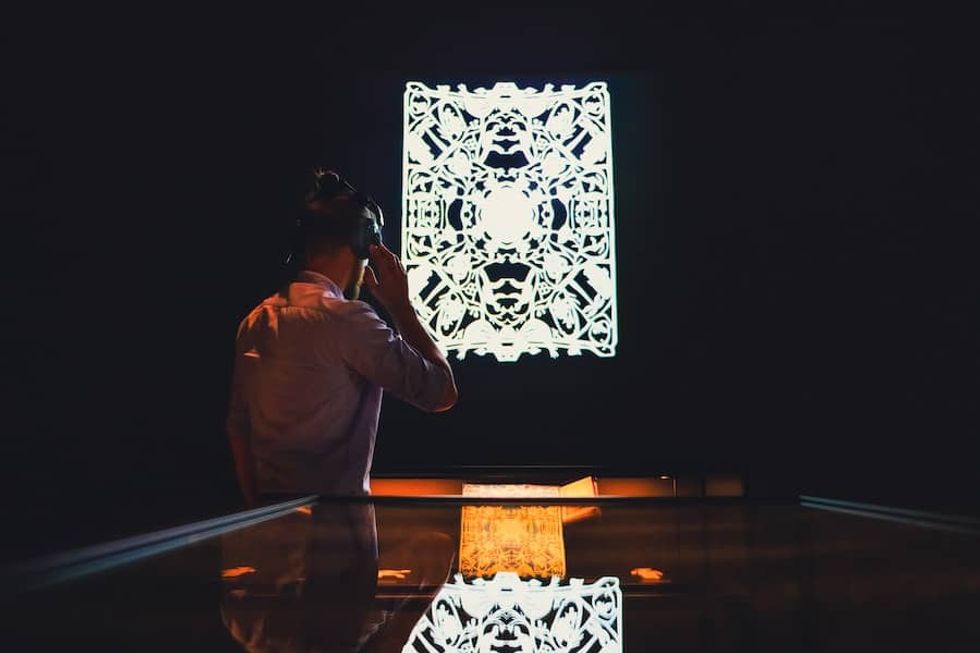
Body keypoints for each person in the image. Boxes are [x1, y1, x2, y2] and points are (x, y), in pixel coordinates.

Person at [225, 169, 458, 505]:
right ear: (366, 243)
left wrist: (257, 514)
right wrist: (401, 307)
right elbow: (442, 392)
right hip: (336, 539)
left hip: (267, 534)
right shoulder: (349, 323)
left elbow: (238, 428)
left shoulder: (256, 320)